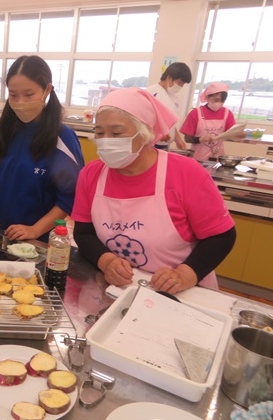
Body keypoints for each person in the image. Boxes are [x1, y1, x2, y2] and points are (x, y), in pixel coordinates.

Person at [72, 88, 236, 294]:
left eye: (116, 133)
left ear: (145, 133)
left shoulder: (186, 173)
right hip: (117, 289)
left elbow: (222, 237)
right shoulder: (91, 174)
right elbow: (84, 232)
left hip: (180, 293)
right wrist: (106, 261)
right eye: (99, 132)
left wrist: (185, 274)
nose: (106, 140)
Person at [0, 55, 85, 242]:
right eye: (13, 95)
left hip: (36, 239)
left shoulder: (62, 139)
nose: (20, 103)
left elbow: (69, 197)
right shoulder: (0, 134)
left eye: (29, 94)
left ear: (47, 90)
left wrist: (35, 230)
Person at [180, 82, 241, 161]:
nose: (219, 103)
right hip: (198, 157)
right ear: (208, 97)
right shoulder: (196, 113)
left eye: (222, 100)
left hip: (218, 156)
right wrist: (200, 139)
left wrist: (239, 134)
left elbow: (231, 134)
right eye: (216, 100)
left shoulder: (227, 113)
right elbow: (187, 138)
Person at [145, 62, 192, 151]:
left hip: (165, 144)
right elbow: (144, 120)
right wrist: (158, 133)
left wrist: (178, 139)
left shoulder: (173, 98)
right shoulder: (151, 93)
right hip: (150, 144)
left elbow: (171, 123)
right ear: (169, 78)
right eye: (180, 82)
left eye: (183, 84)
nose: (180, 86)